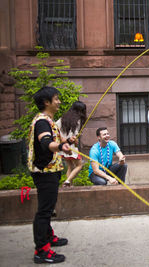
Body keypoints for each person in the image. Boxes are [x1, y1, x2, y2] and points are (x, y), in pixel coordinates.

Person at [27, 86, 71, 263]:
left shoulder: (46, 120)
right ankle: (41, 251)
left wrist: (66, 142)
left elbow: (51, 142)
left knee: (48, 208)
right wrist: (60, 146)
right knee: (44, 211)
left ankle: (48, 236)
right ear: (47, 102)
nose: (59, 101)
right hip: (45, 172)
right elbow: (45, 142)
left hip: (50, 170)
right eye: (56, 99)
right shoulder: (42, 122)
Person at [56, 101, 87, 187]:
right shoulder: (78, 120)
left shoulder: (63, 118)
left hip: (62, 147)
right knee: (79, 165)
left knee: (70, 166)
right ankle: (67, 181)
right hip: (71, 147)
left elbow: (55, 129)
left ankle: (69, 184)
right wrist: (75, 140)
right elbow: (74, 138)